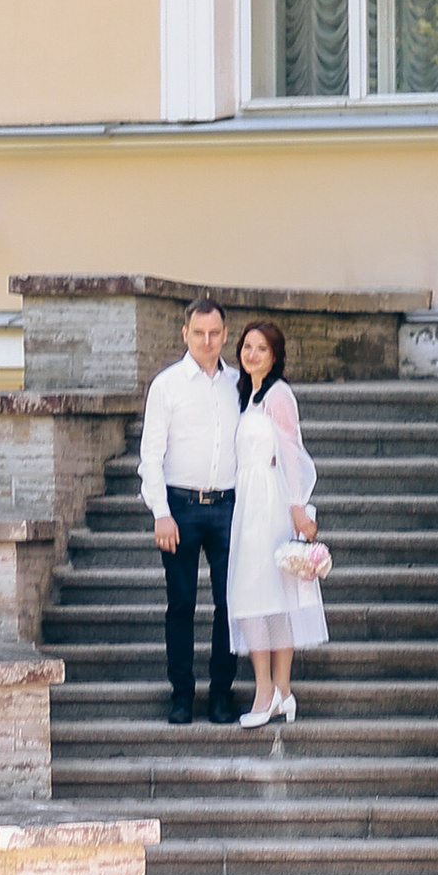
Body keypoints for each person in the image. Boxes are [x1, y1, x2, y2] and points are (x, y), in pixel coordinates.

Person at [138, 292, 240, 724]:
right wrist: (161, 511)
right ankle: (181, 695)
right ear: (185, 334)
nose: (207, 340)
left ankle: (220, 694)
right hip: (179, 506)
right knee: (180, 604)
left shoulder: (240, 384)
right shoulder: (167, 385)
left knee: (229, 604)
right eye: (198, 333)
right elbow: (150, 455)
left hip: (228, 506)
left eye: (215, 333)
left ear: (225, 334)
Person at [225, 319, 325, 726]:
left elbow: (291, 451)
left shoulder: (279, 395)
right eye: (247, 347)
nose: (252, 354)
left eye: (261, 348)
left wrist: (298, 506)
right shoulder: (246, 395)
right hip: (246, 499)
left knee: (265, 595)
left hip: (270, 499)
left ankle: (270, 690)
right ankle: (278, 691)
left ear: (276, 355)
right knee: (258, 595)